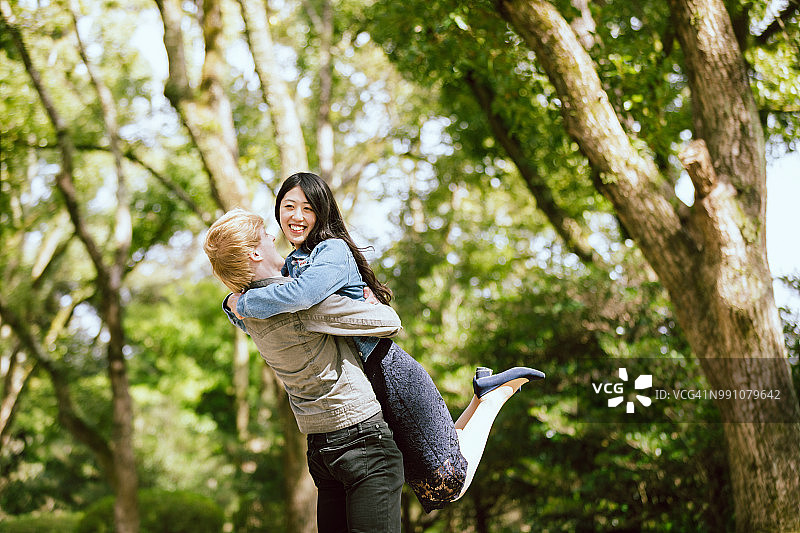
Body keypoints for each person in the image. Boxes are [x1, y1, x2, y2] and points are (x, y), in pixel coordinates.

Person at [226, 172, 545, 512]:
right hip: (362, 391)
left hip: (388, 372)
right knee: (434, 477)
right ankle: (483, 393)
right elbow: (278, 325)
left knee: (446, 485)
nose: (297, 216)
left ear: (322, 212)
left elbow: (302, 297)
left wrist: (241, 303)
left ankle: (493, 397)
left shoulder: (330, 250)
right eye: (289, 206)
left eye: (308, 208)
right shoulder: (290, 265)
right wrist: (230, 306)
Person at [204, 209, 405, 533]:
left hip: (321, 450)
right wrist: (370, 303)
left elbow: (236, 305)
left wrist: (230, 302)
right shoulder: (299, 301)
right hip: (362, 442)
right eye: (265, 235)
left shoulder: (247, 310)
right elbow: (389, 322)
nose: (273, 236)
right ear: (255, 253)